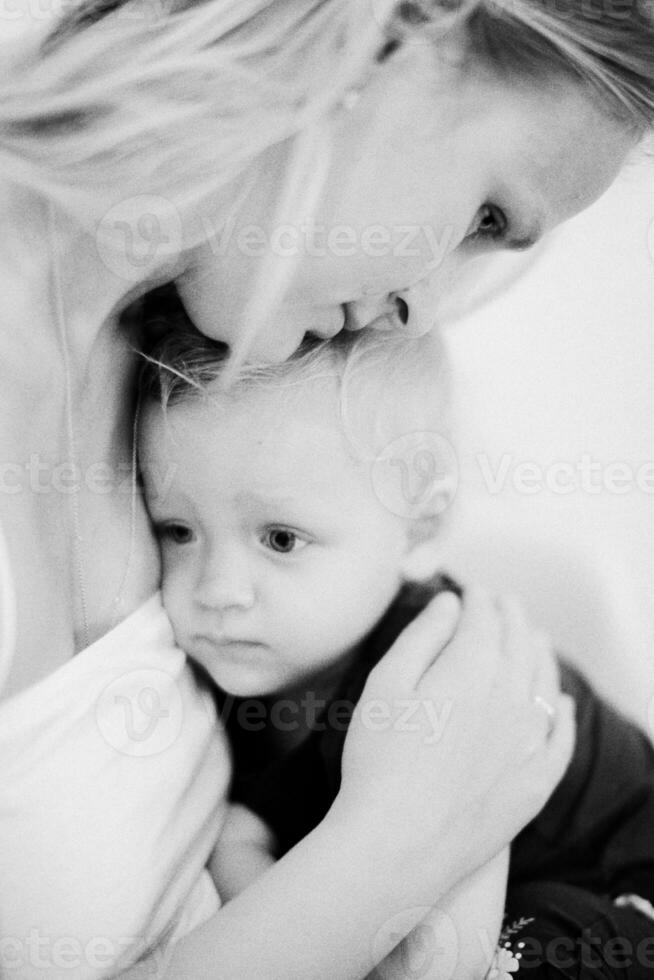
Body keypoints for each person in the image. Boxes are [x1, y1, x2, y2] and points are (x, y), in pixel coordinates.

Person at [1, 0, 653, 977]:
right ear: (392, 37)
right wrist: (401, 837)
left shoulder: (160, 357)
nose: (420, 305)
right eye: (487, 216)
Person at [138, 321, 654, 980]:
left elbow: (439, 962)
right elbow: (246, 835)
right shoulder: (248, 668)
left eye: (281, 539)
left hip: (621, 893)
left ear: (419, 532)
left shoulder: (441, 678)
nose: (216, 590)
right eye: (178, 531)